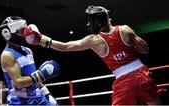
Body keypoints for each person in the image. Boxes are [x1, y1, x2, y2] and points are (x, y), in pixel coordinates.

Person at [22, 6, 160, 105]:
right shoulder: (125, 29)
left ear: (95, 22)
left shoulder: (94, 40)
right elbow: (145, 50)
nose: (88, 24)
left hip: (124, 80)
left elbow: (65, 47)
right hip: (143, 73)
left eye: (89, 21)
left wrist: (41, 40)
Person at [0, 16, 60, 105]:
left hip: (38, 98)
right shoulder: (7, 55)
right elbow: (19, 82)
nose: (25, 33)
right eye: (22, 30)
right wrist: (41, 74)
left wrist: (47, 93)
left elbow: (35, 77)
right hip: (20, 102)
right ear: (8, 33)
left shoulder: (28, 50)